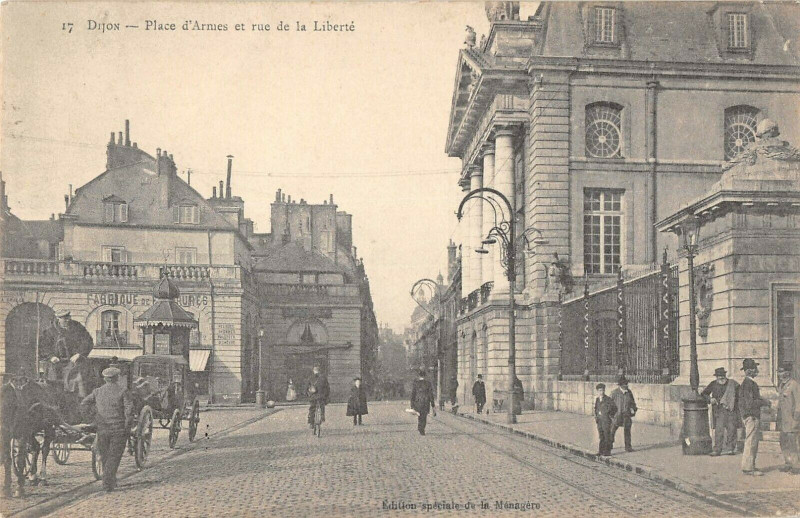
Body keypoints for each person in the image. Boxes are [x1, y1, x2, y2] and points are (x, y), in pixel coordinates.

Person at [80, 367, 133, 492]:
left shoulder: (97, 391)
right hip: (118, 429)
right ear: (117, 378)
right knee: (114, 456)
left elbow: (84, 403)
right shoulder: (123, 391)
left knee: (105, 455)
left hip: (102, 428)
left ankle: (110, 480)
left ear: (105, 379)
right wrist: (127, 427)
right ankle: (107, 483)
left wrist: (93, 417)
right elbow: (129, 411)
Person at [738, 358, 771, 476]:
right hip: (751, 416)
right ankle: (748, 468)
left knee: (752, 441)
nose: (756, 370)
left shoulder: (749, 383)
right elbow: (750, 403)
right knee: (751, 441)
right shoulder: (748, 384)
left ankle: (750, 465)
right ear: (749, 371)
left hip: (750, 415)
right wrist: (764, 402)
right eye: (754, 368)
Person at [702, 367, 740, 456]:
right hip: (719, 411)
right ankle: (717, 450)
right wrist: (710, 399)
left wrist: (733, 403)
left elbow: (740, 395)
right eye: (719, 376)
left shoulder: (733, 384)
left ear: (725, 375)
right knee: (719, 430)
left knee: (732, 429)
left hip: (731, 410)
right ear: (716, 377)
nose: (721, 378)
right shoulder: (713, 384)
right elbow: (704, 394)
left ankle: (730, 448)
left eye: (722, 376)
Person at [777, 362, 800, 474]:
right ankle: (788, 463)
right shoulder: (781, 385)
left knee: (793, 442)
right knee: (783, 441)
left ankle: (796, 466)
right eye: (779, 372)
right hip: (782, 419)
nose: (779, 374)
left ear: (788, 372)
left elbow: (799, 402)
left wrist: (796, 418)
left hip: (791, 419)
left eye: (781, 371)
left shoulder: (794, 384)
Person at [610, 376, 637, 452]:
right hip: (617, 415)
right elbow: (609, 404)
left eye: (627, 384)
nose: (626, 385)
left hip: (626, 415)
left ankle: (628, 447)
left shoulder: (629, 393)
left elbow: (633, 403)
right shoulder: (614, 393)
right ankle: (610, 444)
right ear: (620, 385)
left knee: (627, 431)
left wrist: (634, 410)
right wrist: (611, 415)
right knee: (612, 430)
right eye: (625, 384)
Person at [594, 383, 617, 457]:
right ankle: (601, 451)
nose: (602, 392)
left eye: (603, 390)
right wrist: (597, 417)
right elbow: (596, 409)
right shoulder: (597, 399)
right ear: (597, 391)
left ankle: (607, 452)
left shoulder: (608, 399)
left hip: (606, 420)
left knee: (607, 436)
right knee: (601, 436)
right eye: (600, 390)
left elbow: (614, 408)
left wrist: (609, 414)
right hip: (600, 421)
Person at [410, 369, 435, 435]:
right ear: (425, 375)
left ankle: (420, 427)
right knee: (424, 416)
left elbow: (413, 394)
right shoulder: (428, 383)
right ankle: (422, 428)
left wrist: (412, 405)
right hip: (426, 402)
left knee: (419, 415)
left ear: (419, 376)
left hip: (418, 402)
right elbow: (431, 394)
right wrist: (433, 405)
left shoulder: (416, 383)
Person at [307, 366, 330, 432]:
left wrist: (308, 395)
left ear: (313, 371)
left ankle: (311, 422)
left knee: (312, 408)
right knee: (322, 406)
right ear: (319, 371)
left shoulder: (310, 378)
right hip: (321, 397)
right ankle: (322, 417)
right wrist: (326, 396)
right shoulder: (323, 378)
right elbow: (327, 388)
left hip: (313, 397)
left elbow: (306, 388)